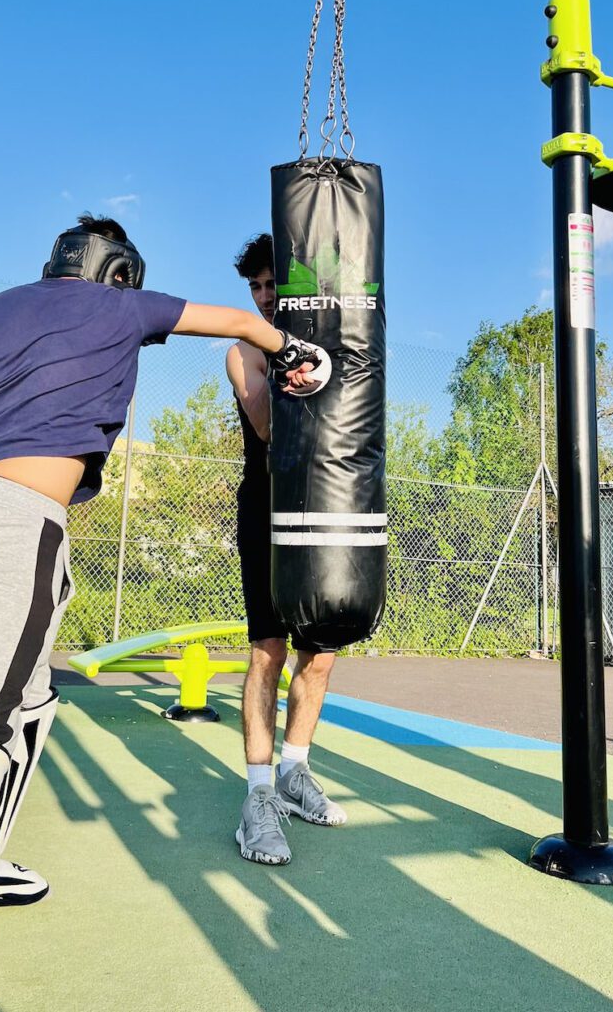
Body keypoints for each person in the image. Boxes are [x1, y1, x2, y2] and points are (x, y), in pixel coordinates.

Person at [0, 214, 321, 1011]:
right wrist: (290, 350)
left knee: (31, 703)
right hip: (16, 524)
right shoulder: (121, 306)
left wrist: (24, 409)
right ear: (120, 271)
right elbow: (235, 322)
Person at [226, 233, 346, 867]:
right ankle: (260, 797)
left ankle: (297, 772)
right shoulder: (244, 349)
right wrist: (286, 361)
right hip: (266, 505)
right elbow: (269, 425)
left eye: (275, 284)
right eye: (257, 288)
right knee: (269, 648)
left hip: (328, 502)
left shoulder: (330, 340)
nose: (267, 296)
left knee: (320, 654)